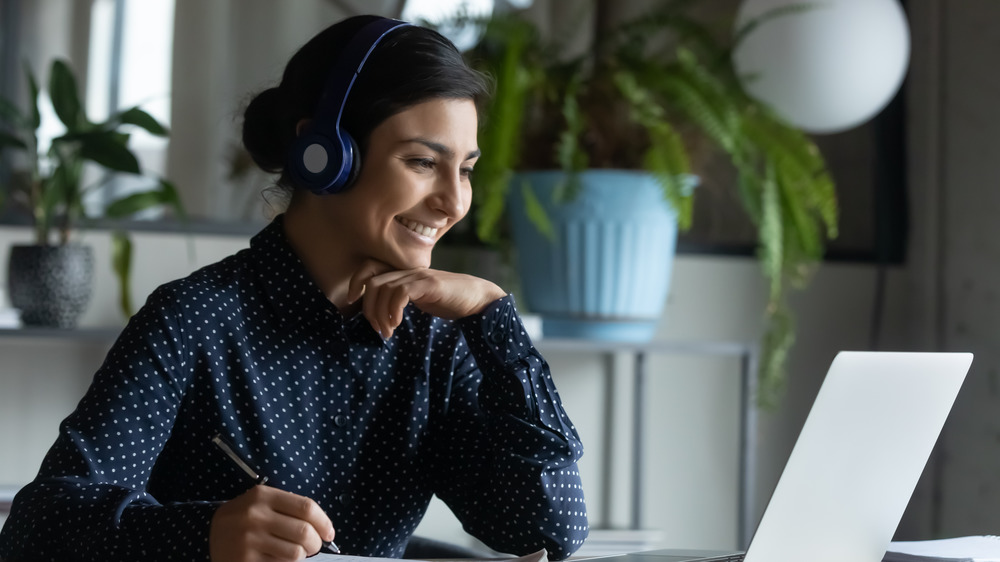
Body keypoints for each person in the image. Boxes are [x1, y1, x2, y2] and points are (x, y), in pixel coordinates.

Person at [0, 14, 588, 562]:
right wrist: (204, 534)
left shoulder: (434, 341)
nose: (454, 201)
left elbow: (549, 526)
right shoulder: (194, 318)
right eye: (421, 162)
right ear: (325, 154)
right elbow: (37, 528)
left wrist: (493, 314)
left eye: (465, 169)